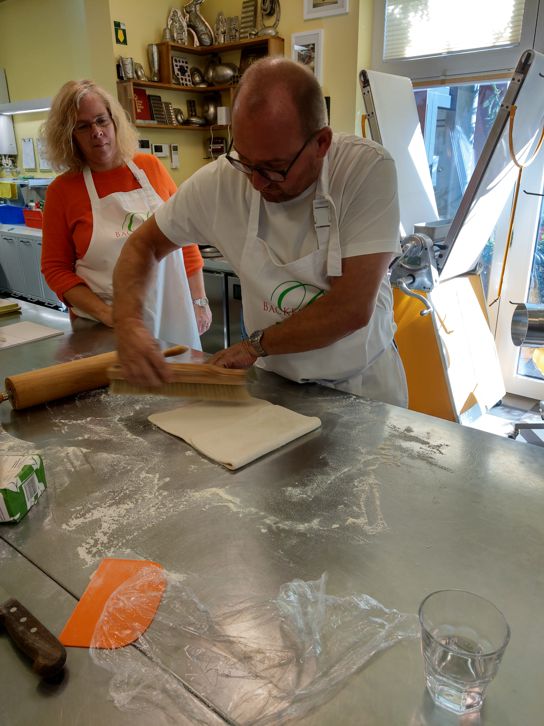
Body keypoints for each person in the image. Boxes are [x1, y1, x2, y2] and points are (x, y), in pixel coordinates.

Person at [113, 57, 408, 407]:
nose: (255, 182)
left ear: (321, 144)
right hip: (276, 385)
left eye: (273, 168)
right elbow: (143, 245)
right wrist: (129, 322)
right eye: (245, 161)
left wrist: (254, 346)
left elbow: (351, 308)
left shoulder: (365, 170)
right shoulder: (221, 182)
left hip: (362, 388)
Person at [41, 79, 211, 348]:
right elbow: (55, 269)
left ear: (114, 121)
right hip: (105, 327)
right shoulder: (62, 191)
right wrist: (107, 315)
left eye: (101, 120)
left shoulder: (150, 167)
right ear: (69, 135)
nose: (97, 132)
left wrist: (199, 300)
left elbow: (184, 237)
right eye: (83, 126)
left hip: (172, 313)